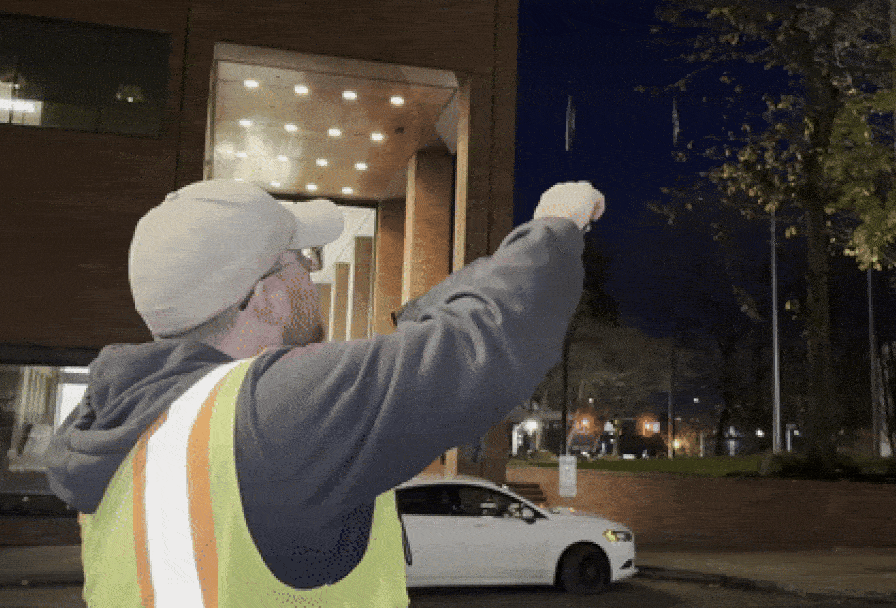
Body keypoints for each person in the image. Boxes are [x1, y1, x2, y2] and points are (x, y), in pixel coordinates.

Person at [43, 177, 605, 607]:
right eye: (303, 263)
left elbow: (421, 343)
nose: (312, 279)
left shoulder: (123, 425)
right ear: (267, 298)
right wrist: (555, 227)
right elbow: (483, 344)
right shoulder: (270, 415)